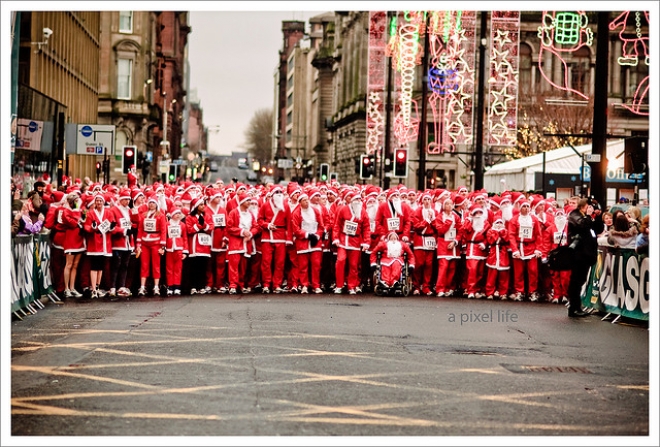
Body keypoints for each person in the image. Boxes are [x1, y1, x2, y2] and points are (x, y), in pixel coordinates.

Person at [566, 198, 604, 318]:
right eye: (589, 206)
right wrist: (588, 216)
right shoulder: (575, 215)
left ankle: (577, 306)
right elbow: (582, 225)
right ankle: (574, 307)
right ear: (584, 206)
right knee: (576, 281)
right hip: (578, 254)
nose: (591, 209)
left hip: (586, 254)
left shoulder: (587, 217)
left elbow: (598, 229)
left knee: (580, 280)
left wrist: (597, 217)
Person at [332, 192, 371, 295]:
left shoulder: (363, 212)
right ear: (351, 200)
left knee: (354, 265)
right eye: (356, 199)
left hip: (355, 242)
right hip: (343, 240)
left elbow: (366, 228)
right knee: (340, 261)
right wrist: (335, 238)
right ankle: (339, 285)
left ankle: (351, 286)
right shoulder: (343, 209)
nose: (358, 202)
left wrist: (366, 242)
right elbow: (337, 225)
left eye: (359, 200)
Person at [290, 192, 325, 294]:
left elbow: (321, 226)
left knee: (316, 265)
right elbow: (296, 229)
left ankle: (316, 285)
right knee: (303, 265)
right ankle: (304, 285)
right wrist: (307, 235)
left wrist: (317, 235)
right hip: (303, 243)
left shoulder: (315, 211)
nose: (306, 202)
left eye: (307, 200)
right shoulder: (297, 213)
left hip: (315, 242)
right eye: (304, 200)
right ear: (300, 202)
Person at [258, 186, 290, 294]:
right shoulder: (265, 205)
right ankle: (266, 284)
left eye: (281, 192)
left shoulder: (285, 206)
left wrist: (289, 239)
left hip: (280, 237)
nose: (279, 193)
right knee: (266, 262)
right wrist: (267, 225)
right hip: (267, 237)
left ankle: (277, 284)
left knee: (280, 262)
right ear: (272, 194)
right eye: (277, 192)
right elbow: (259, 220)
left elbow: (289, 224)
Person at [82, 194, 115, 299]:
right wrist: (92, 228)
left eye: (101, 201)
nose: (99, 202)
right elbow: (86, 226)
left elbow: (112, 224)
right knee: (94, 266)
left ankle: (97, 286)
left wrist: (111, 227)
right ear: (95, 202)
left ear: (103, 202)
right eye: (97, 201)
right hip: (95, 244)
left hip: (105, 243)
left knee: (100, 267)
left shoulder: (108, 213)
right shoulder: (91, 213)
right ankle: (93, 289)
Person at [136, 196, 168, 296]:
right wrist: (138, 243)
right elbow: (140, 229)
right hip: (145, 242)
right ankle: (142, 287)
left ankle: (156, 286)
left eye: (153, 203)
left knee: (156, 265)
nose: (151, 204)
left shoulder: (161, 215)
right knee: (144, 265)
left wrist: (163, 245)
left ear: (157, 204)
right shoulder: (143, 215)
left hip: (156, 242)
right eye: (150, 203)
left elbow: (163, 230)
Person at [410, 191, 437, 296]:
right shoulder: (417, 211)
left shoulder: (434, 212)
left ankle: (426, 286)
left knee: (429, 264)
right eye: (425, 199)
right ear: (422, 201)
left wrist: (433, 220)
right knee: (419, 264)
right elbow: (416, 226)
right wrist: (426, 221)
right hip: (420, 239)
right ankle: (416, 285)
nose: (427, 202)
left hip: (430, 240)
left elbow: (437, 227)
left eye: (429, 199)